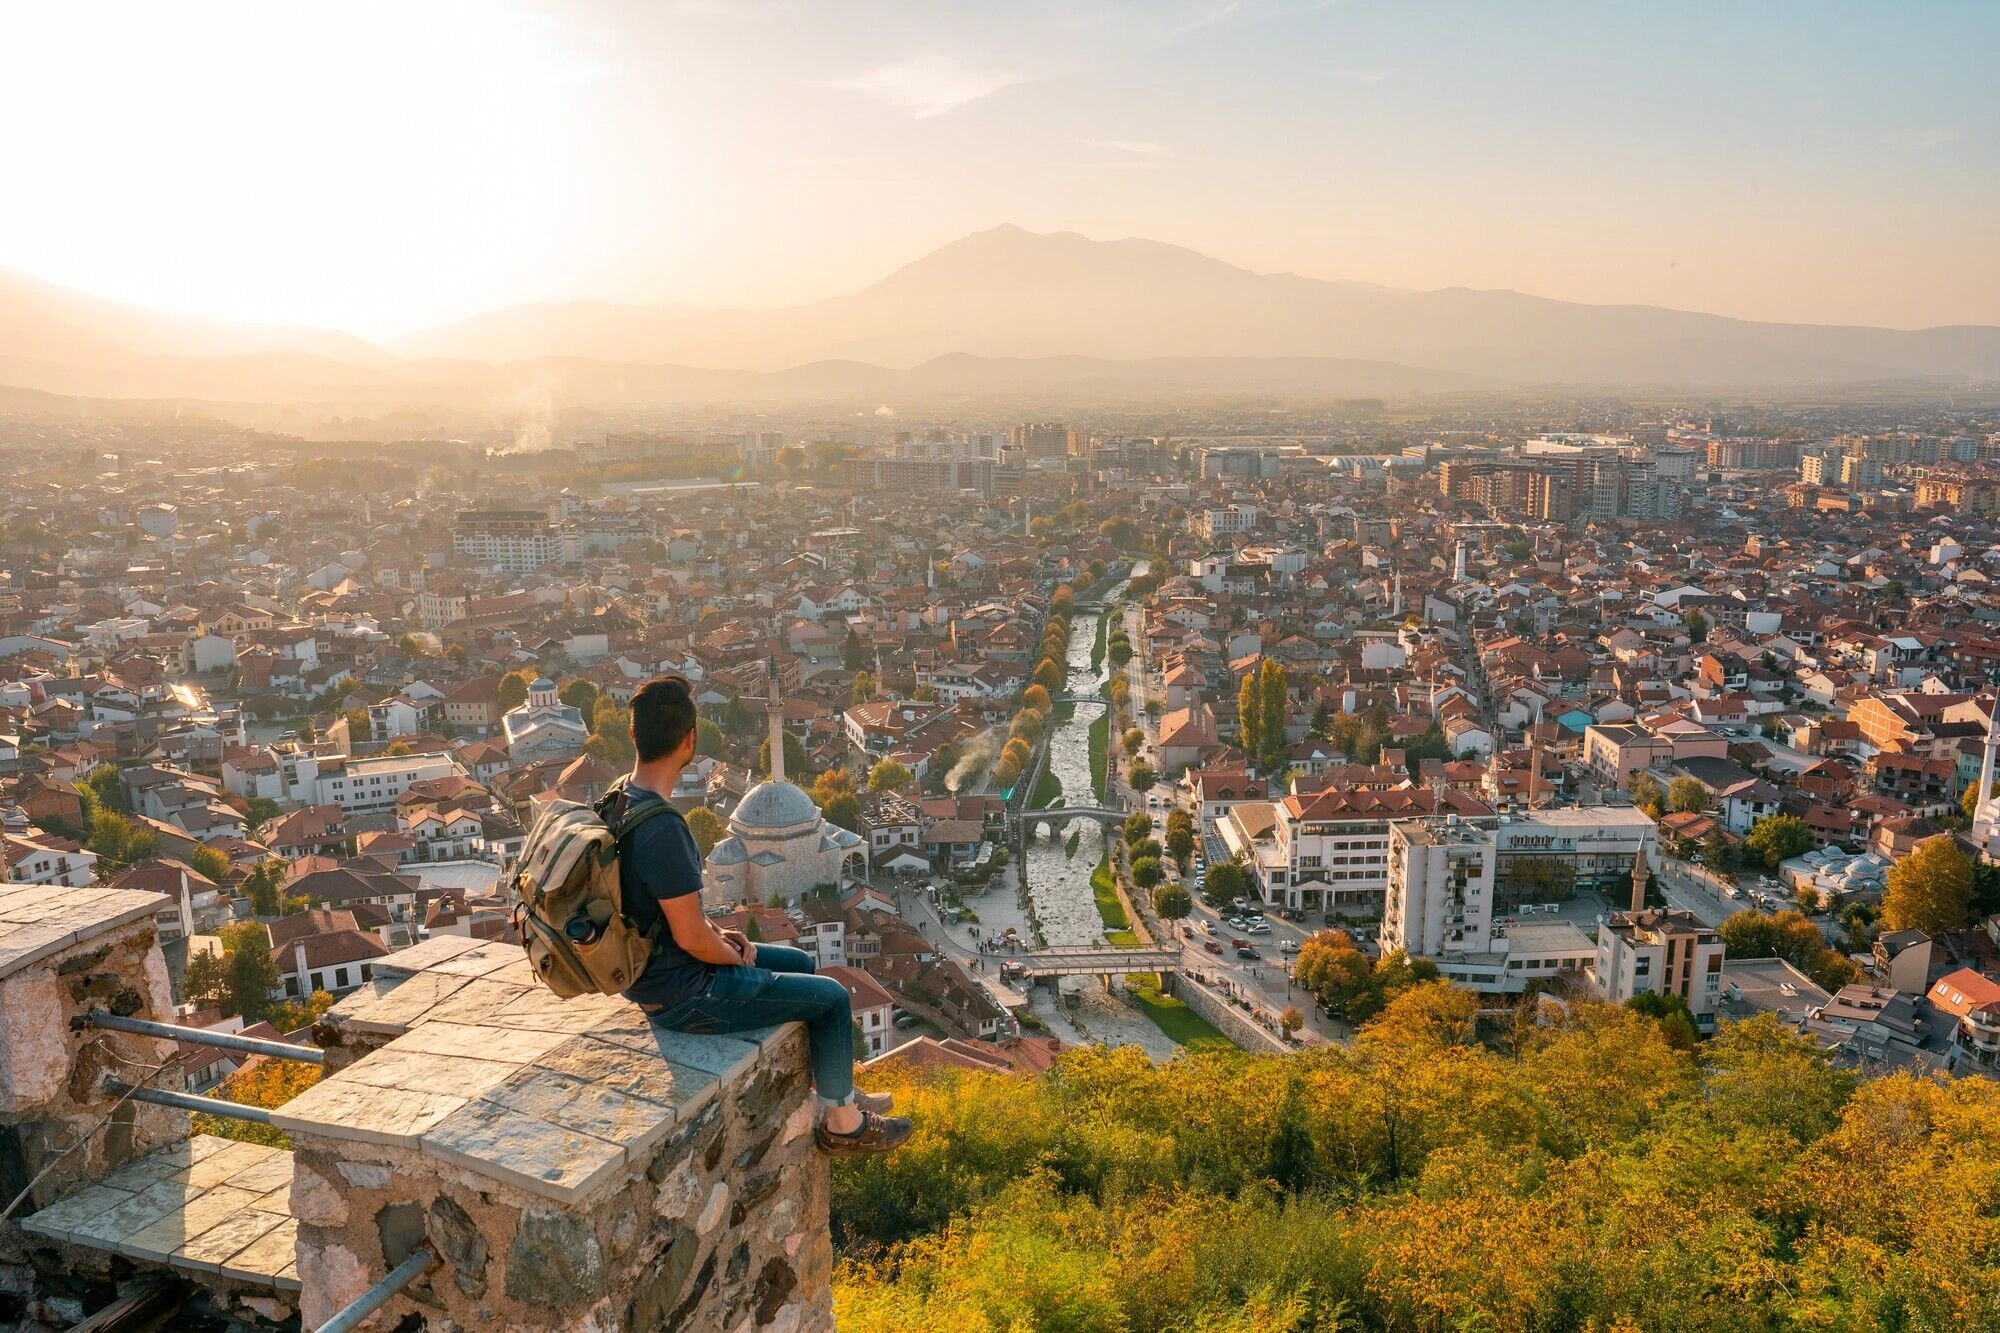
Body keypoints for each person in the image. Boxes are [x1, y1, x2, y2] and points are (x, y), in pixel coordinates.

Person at [614, 675, 910, 1157]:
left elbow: (671, 914)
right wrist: (729, 956)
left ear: (634, 736)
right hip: (682, 994)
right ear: (690, 741)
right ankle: (844, 1125)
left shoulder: (621, 803)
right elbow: (689, 937)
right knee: (833, 997)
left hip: (658, 974)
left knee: (801, 964)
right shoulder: (664, 829)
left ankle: (838, 1089)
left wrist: (723, 936)